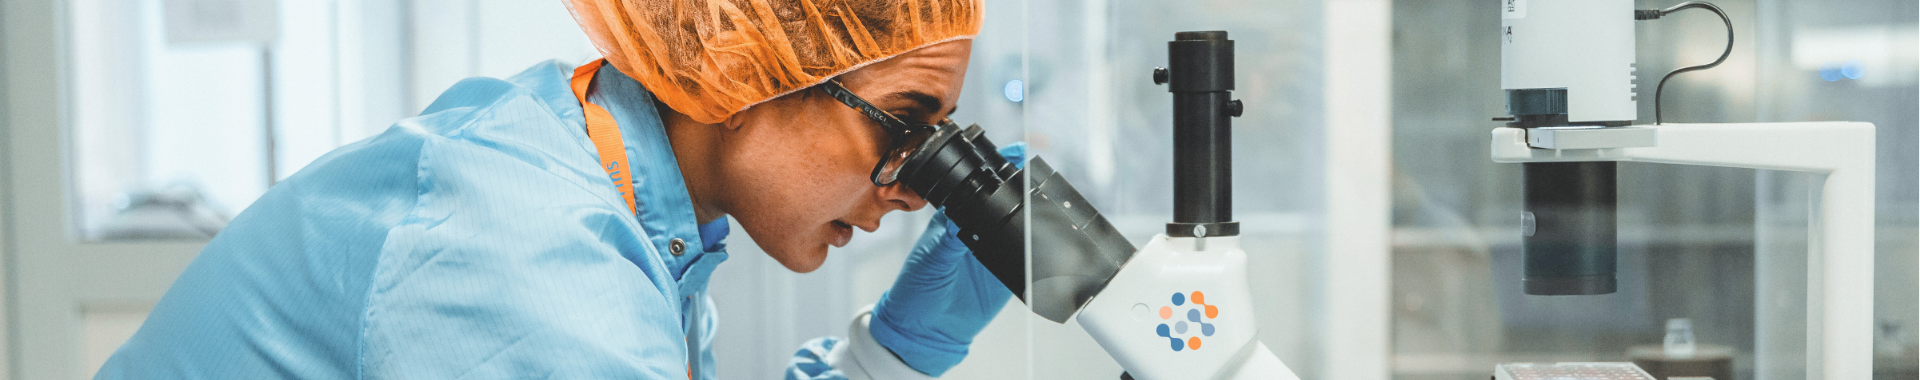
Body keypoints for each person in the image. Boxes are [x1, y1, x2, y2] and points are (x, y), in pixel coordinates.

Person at [93, 0, 1011, 378]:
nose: (918, 189)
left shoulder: (607, 188)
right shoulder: (522, 253)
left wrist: (888, 354)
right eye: (905, 122)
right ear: (751, 72)